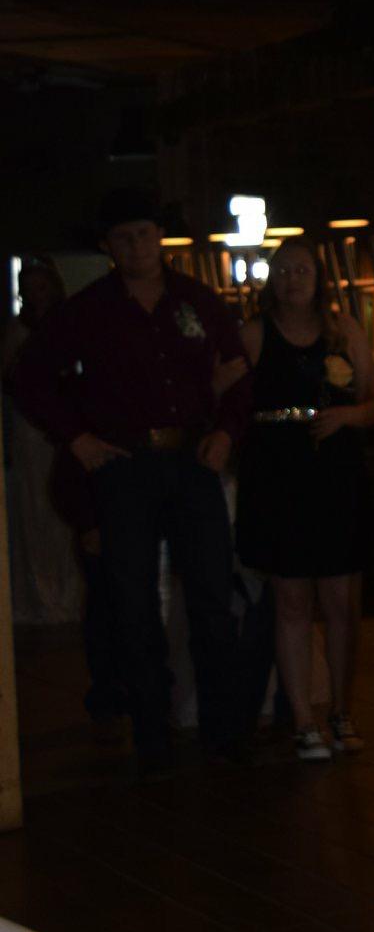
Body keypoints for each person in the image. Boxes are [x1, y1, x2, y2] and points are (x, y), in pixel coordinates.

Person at [10, 189, 253, 777]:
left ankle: (222, 730)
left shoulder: (197, 299)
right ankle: (151, 735)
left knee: (211, 597)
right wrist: (77, 438)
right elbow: (26, 376)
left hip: (193, 461)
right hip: (124, 468)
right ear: (107, 247)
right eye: (124, 238)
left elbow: (242, 372)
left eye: (144, 235)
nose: (137, 246)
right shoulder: (89, 310)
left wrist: (225, 433)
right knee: (133, 603)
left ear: (160, 238)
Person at [235, 236, 374, 760]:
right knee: (292, 599)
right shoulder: (254, 334)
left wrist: (345, 416)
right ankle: (302, 721)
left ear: (319, 277)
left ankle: (342, 710)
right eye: (284, 270)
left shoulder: (343, 330)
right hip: (279, 475)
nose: (293, 278)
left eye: (302, 269)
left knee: (342, 601)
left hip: (334, 473)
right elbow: (225, 395)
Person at [2, 258, 83, 626]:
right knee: (34, 505)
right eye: (30, 289)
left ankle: (67, 591)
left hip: (64, 424)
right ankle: (40, 593)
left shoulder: (68, 324)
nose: (38, 295)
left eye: (42, 287)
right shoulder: (18, 331)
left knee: (64, 507)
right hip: (31, 430)